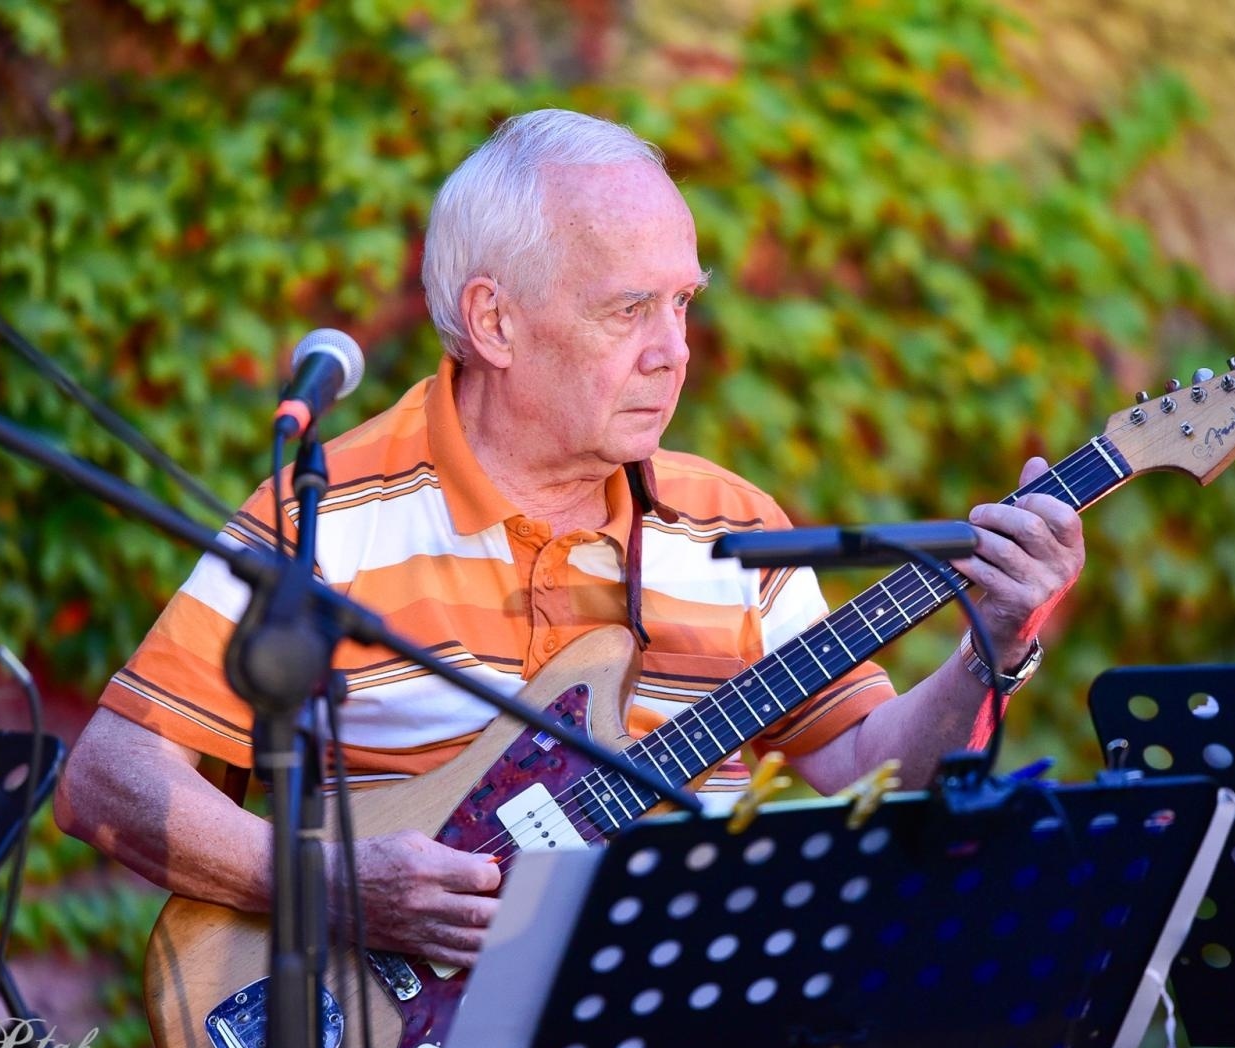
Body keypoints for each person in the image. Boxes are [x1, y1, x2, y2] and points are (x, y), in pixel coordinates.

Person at [54, 109, 1083, 971]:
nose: (673, 352)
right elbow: (109, 784)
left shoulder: (732, 523)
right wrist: (339, 888)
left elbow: (872, 776)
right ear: (493, 323)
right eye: (630, 308)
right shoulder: (329, 514)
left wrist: (992, 642)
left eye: (683, 303)